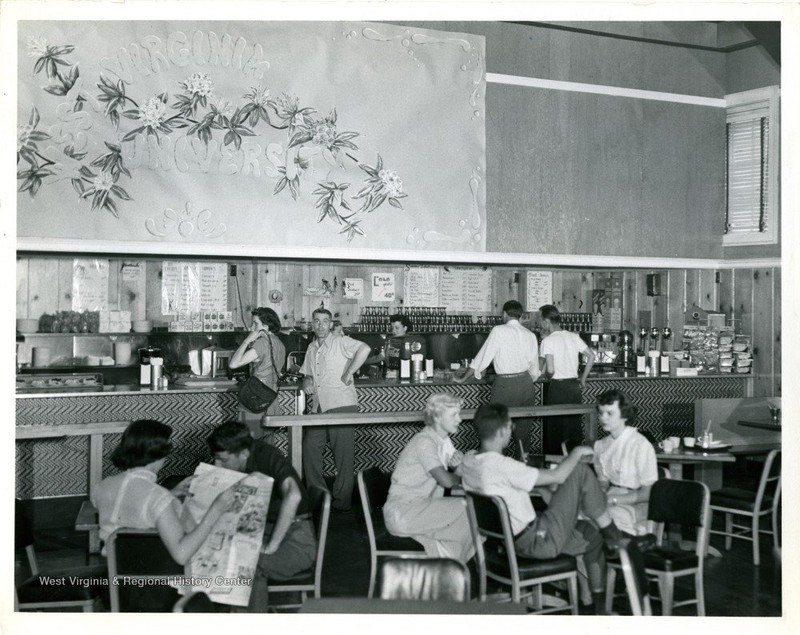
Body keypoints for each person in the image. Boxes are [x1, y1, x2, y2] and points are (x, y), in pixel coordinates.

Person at [461, 403, 625, 615]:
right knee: (581, 471)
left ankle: (593, 602)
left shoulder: (470, 461)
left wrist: (551, 491)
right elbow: (558, 476)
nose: (512, 430)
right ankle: (614, 535)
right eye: (510, 426)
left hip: (504, 544)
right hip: (538, 542)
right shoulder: (502, 465)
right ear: (502, 431)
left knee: (590, 534)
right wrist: (575, 453)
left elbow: (520, 484)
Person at [208, 421, 317, 612]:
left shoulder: (266, 455)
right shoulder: (238, 460)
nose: (217, 464)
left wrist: (272, 546)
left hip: (296, 538)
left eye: (222, 460)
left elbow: (294, 495)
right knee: (218, 555)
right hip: (265, 530)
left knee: (247, 564)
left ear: (243, 454)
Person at [92, 420, 235, 563]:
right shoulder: (159, 498)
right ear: (160, 453)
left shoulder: (101, 487)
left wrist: (169, 494)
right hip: (156, 577)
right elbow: (181, 555)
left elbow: (127, 505)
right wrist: (215, 511)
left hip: (115, 574)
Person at [383, 393, 474, 562]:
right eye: (454, 415)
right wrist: (461, 470)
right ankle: (453, 567)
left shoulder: (443, 441)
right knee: (467, 510)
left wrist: (461, 466)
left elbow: (459, 471)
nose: (459, 419)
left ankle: (452, 567)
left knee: (471, 515)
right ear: (438, 417)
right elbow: (446, 481)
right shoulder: (424, 442)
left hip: (422, 508)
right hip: (403, 512)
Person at [301, 307, 370, 511]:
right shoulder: (312, 348)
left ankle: (342, 501)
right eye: (316, 321)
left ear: (331, 324)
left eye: (325, 321)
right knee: (310, 448)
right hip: (319, 407)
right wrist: (306, 381)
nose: (320, 325)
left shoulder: (341, 341)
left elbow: (364, 348)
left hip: (341, 405)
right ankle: (319, 496)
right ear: (312, 324)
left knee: (343, 456)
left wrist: (349, 372)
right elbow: (307, 373)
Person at [454, 300, 540, 456]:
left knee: (495, 428)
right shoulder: (531, 335)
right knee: (523, 432)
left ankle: (494, 467)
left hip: (505, 385)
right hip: (527, 384)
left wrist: (463, 378)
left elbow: (482, 358)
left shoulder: (499, 330)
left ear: (505, 314)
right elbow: (535, 368)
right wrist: (526, 380)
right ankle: (522, 469)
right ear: (519, 316)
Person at [593, 390, 658, 536]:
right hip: (610, 497)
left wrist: (613, 500)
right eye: (601, 413)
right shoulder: (600, 446)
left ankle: (624, 555)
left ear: (624, 415)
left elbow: (648, 493)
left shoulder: (640, 444)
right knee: (579, 517)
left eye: (610, 413)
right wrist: (598, 496)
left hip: (637, 504)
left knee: (606, 520)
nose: (603, 418)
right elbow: (603, 482)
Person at [538, 304, 596, 454]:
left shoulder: (548, 341)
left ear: (546, 322)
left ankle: (556, 466)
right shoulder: (573, 336)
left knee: (556, 429)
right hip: (574, 388)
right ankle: (575, 464)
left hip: (557, 388)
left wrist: (546, 376)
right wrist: (583, 379)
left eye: (540, 320)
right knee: (573, 427)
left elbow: (550, 370)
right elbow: (591, 356)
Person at [229, 307, 287, 438]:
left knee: (249, 444)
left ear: (265, 326)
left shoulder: (262, 343)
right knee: (266, 446)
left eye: (255, 323)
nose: (251, 327)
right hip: (271, 400)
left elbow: (234, 364)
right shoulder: (280, 343)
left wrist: (247, 341)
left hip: (255, 399)